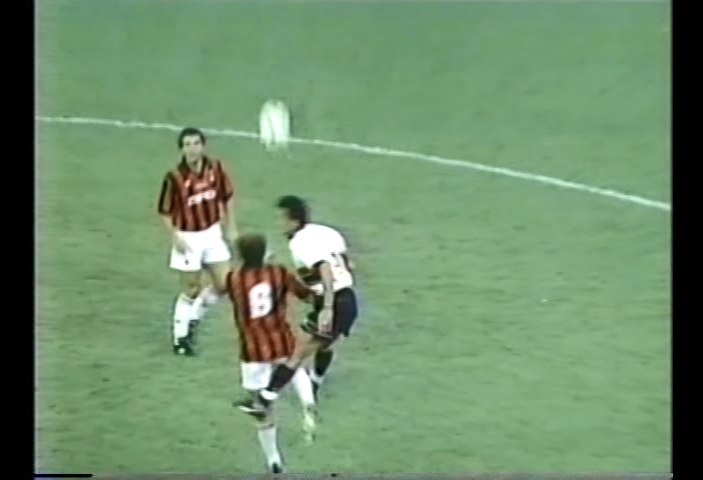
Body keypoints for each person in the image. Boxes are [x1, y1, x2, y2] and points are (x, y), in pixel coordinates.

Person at [238, 195, 359, 417]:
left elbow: (324, 268)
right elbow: (348, 263)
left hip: (335, 302)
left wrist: (327, 308)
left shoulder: (300, 243)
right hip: (344, 298)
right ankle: (315, 382)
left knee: (297, 351)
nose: (280, 224)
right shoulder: (326, 232)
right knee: (325, 344)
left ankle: (264, 399)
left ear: (294, 221)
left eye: (282, 219)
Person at [211, 233, 319, 472]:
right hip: (280, 339)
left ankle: (273, 459)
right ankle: (308, 401)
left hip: (252, 350)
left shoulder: (235, 279)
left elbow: (220, 288)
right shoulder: (278, 273)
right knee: (294, 366)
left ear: (241, 256)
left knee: (261, 409)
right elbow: (305, 294)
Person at [157, 127, 238, 355]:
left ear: (203, 146)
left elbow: (227, 197)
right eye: (187, 145)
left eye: (196, 143)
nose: (192, 149)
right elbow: (164, 211)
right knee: (191, 288)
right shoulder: (174, 177)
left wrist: (231, 226)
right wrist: (175, 237)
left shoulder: (216, 168)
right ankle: (180, 338)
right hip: (187, 237)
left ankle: (194, 316)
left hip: (212, 233)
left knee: (224, 284)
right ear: (181, 149)